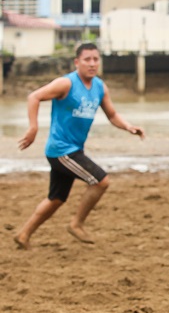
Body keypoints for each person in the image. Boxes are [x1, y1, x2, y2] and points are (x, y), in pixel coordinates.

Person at [13, 43, 145, 250]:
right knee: (101, 181)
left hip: (73, 150)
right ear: (77, 62)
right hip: (62, 150)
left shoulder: (100, 87)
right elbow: (34, 97)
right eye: (87, 60)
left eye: (95, 59)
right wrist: (33, 127)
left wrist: (128, 126)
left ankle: (23, 234)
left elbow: (111, 115)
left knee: (56, 199)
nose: (92, 64)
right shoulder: (66, 84)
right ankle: (76, 224)